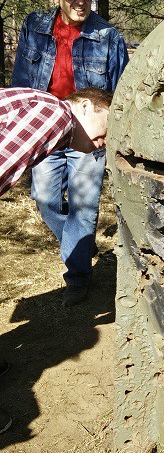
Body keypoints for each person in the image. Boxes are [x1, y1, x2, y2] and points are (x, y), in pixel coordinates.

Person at [12, 0, 128, 307]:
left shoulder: (109, 37)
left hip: (86, 134)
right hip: (47, 128)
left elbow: (119, 94)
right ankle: (78, 243)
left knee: (84, 206)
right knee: (45, 198)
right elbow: (21, 78)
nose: (79, 1)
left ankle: (77, 277)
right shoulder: (34, 27)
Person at [0, 85, 112, 435]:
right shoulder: (54, 115)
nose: (100, 145)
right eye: (103, 132)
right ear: (84, 106)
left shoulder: (46, 112)